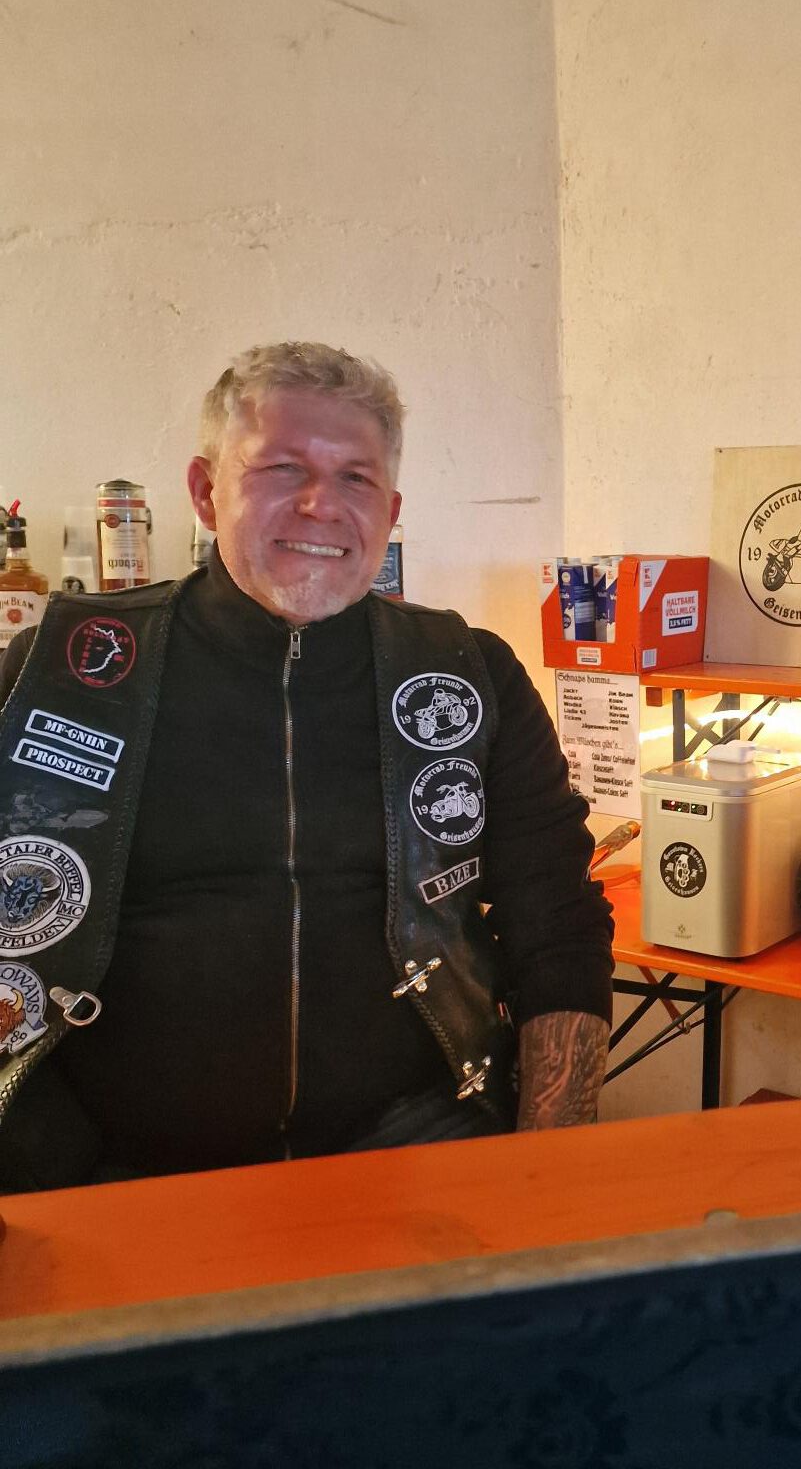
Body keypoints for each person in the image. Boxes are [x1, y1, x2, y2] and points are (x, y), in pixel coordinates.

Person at [0, 342, 614, 1188]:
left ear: (390, 510)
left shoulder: (470, 675)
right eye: (282, 468)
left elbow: (559, 926)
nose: (322, 504)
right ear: (205, 492)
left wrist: (549, 1172)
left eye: (356, 478)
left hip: (418, 1149)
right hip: (109, 1174)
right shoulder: (61, 672)